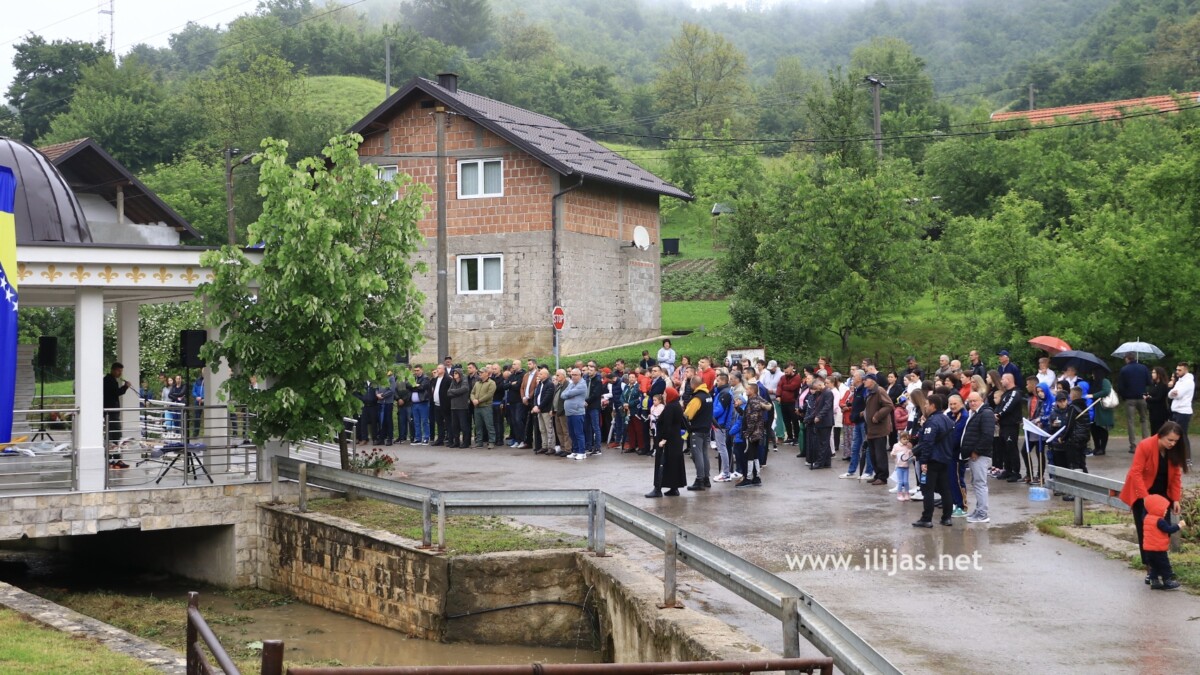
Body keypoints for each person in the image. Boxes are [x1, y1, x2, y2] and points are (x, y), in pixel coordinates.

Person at [1120, 422, 1187, 586]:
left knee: (1162, 533)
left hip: (1163, 498)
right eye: (1170, 440)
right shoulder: (1146, 446)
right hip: (1144, 495)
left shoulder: (1174, 451)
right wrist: (1145, 497)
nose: (1172, 444)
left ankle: (1161, 570)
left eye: (1175, 441)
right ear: (1161, 435)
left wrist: (1176, 499)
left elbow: (1176, 476)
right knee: (1147, 534)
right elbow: (1136, 472)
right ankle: (1150, 571)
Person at [912, 394, 955, 528]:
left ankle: (927, 518)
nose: (924, 406)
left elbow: (928, 443)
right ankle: (947, 518)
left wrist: (923, 461)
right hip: (945, 459)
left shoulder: (932, 422)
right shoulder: (948, 420)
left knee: (927, 490)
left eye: (926, 404)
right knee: (945, 489)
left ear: (933, 406)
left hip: (932, 460)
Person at [646, 387, 689, 498]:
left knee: (661, 463)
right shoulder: (676, 405)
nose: (664, 396)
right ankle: (674, 487)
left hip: (668, 440)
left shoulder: (670, 407)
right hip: (675, 439)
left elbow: (667, 424)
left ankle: (657, 488)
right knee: (673, 464)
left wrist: (663, 439)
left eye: (665, 394)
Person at [962, 392, 995, 523]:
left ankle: (982, 513)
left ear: (982, 400)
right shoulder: (975, 413)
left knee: (980, 483)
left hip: (980, 455)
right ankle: (978, 510)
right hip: (974, 454)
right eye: (970, 401)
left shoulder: (986, 414)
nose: (972, 403)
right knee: (976, 483)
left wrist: (976, 451)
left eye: (975, 401)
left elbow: (987, 435)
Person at [1141, 494, 1186, 590]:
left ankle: (1154, 581)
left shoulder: (1146, 518)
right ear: (1157, 509)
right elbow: (1168, 529)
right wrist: (1179, 525)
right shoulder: (1159, 521)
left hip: (1148, 550)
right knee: (1165, 565)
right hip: (1158, 549)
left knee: (1155, 566)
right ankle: (1167, 581)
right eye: (1164, 508)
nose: (1166, 511)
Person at [1117, 354, 1152, 452]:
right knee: (1144, 419)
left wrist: (1124, 396)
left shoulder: (1124, 370)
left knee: (1130, 421)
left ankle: (1133, 445)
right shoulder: (1143, 368)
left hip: (1129, 399)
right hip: (1142, 397)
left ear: (1127, 359)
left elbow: (1120, 386)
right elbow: (1149, 382)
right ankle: (1146, 443)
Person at [863, 376, 895, 485]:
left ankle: (882, 477)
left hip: (879, 428)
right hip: (871, 428)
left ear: (872, 381)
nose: (864, 381)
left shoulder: (879, 391)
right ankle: (877, 474)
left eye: (865, 379)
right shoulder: (869, 392)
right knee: (873, 454)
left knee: (880, 453)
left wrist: (877, 416)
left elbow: (889, 405)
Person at [103, 362, 133, 467]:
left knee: (113, 436)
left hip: (112, 412)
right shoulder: (109, 381)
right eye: (118, 371)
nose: (120, 373)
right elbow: (116, 393)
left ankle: (114, 460)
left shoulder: (110, 380)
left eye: (121, 371)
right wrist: (125, 387)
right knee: (115, 436)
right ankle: (114, 460)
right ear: (113, 370)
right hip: (111, 413)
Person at [804, 377, 834, 469]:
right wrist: (810, 417)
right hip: (820, 420)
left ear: (820, 385)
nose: (816, 390)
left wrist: (818, 416)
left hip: (825, 421)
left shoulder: (828, 393)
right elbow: (817, 407)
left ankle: (820, 462)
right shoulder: (820, 393)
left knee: (823, 443)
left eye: (817, 388)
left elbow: (826, 406)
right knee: (824, 442)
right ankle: (827, 461)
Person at [1167, 362, 1193, 462]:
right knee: (1174, 434)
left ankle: (1187, 458)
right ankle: (1177, 456)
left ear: (1185, 370)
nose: (1177, 372)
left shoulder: (1189, 382)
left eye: (1179, 370)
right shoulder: (1179, 381)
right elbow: (1170, 394)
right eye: (1177, 369)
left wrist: (1174, 393)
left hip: (1184, 411)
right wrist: (1173, 393)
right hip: (1176, 411)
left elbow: (1179, 395)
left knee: (1182, 434)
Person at [561, 368, 589, 460]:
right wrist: (568, 394)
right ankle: (575, 451)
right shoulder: (571, 384)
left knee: (578, 433)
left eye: (575, 375)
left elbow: (567, 394)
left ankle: (582, 452)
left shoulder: (582, 385)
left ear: (580, 375)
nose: (573, 376)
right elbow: (563, 394)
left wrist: (568, 394)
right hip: (569, 412)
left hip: (577, 412)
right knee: (572, 433)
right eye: (572, 375)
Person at [470, 368, 496, 448]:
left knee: (489, 425)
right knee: (478, 425)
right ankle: (479, 441)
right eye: (479, 372)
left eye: (481, 372)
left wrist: (479, 400)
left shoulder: (491, 383)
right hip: (477, 407)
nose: (479, 374)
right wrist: (473, 399)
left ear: (486, 373)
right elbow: (472, 393)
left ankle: (491, 441)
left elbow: (489, 394)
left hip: (486, 407)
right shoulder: (477, 383)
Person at [532, 367, 556, 454]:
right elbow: (536, 396)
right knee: (542, 429)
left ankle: (551, 447)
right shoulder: (539, 384)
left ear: (546, 375)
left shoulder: (549, 384)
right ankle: (544, 446)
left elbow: (547, 397)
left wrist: (539, 407)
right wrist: (535, 405)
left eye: (541, 374)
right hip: (539, 410)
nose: (539, 375)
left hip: (545, 409)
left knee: (549, 429)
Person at [1090, 373, 1114, 456]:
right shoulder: (1094, 383)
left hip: (1103, 408)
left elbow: (1106, 391)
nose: (1092, 375)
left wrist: (1094, 395)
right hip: (1095, 408)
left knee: (1102, 428)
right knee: (1094, 428)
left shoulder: (1105, 381)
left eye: (1093, 373)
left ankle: (1102, 448)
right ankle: (1097, 447)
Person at [1145, 366, 1171, 443]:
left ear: (1159, 374)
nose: (1152, 374)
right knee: (1153, 429)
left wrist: (1148, 398)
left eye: (1154, 372)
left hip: (1160, 412)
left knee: (1159, 429)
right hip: (1152, 410)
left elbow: (1158, 398)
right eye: (1152, 372)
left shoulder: (1163, 385)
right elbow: (1151, 393)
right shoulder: (1153, 384)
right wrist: (1147, 396)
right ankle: (1153, 445)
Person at [447, 368, 471, 448]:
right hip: (453, 407)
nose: (454, 375)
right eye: (454, 373)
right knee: (455, 426)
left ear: (460, 374)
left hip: (462, 407)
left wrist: (453, 391)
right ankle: (456, 441)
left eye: (456, 373)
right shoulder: (453, 382)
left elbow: (464, 389)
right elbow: (448, 392)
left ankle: (466, 442)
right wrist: (456, 392)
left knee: (464, 426)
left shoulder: (464, 381)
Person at [891, 434, 915, 501]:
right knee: (900, 482)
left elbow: (911, 454)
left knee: (906, 482)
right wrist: (893, 455)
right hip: (899, 467)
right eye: (904, 439)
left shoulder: (908, 446)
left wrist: (913, 456)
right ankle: (899, 494)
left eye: (907, 439)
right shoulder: (896, 446)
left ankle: (907, 493)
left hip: (906, 467)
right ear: (900, 439)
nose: (906, 441)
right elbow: (893, 453)